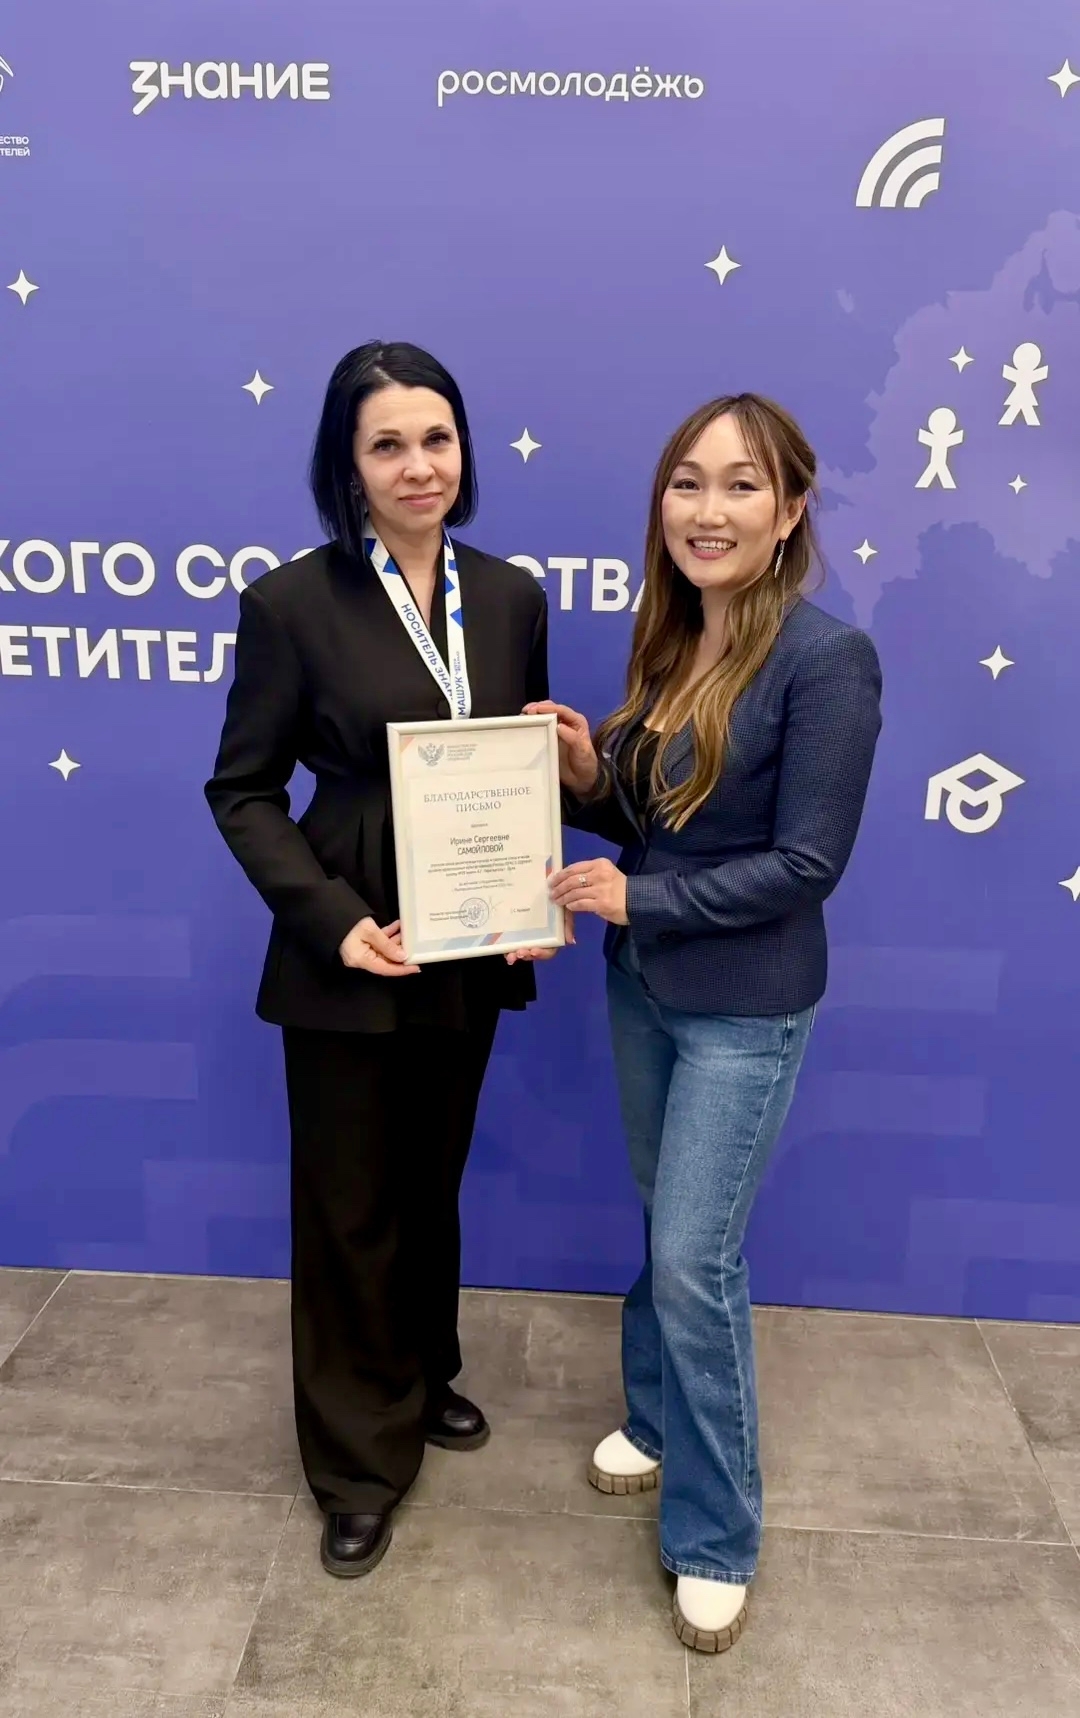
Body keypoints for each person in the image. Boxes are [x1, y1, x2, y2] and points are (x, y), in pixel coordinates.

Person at [529, 394, 881, 1652]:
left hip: (745, 1006)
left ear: (790, 511)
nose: (709, 508)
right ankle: (657, 1417)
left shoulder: (829, 660)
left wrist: (641, 897)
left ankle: (718, 1531)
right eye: (689, 482)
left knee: (694, 1254)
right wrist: (590, 776)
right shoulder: (672, 638)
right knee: (664, 1221)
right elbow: (657, 824)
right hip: (645, 985)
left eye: (742, 484)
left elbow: (805, 864)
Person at [206, 341, 553, 1579]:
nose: (419, 466)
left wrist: (531, 887)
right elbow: (243, 788)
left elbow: (520, 762)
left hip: (470, 932)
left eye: (436, 439)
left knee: (428, 1178)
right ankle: (356, 1461)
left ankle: (417, 1372)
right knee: (349, 1199)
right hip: (353, 932)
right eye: (388, 444)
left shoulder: (510, 596)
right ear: (347, 467)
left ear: (465, 450)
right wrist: (329, 916)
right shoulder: (290, 603)